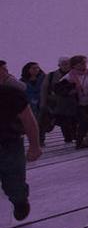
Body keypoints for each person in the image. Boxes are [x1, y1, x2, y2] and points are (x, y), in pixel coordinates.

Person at [1, 81, 42, 220]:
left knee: (14, 183)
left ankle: (20, 202)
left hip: (8, 144)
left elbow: (28, 119)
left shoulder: (10, 93)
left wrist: (34, 146)